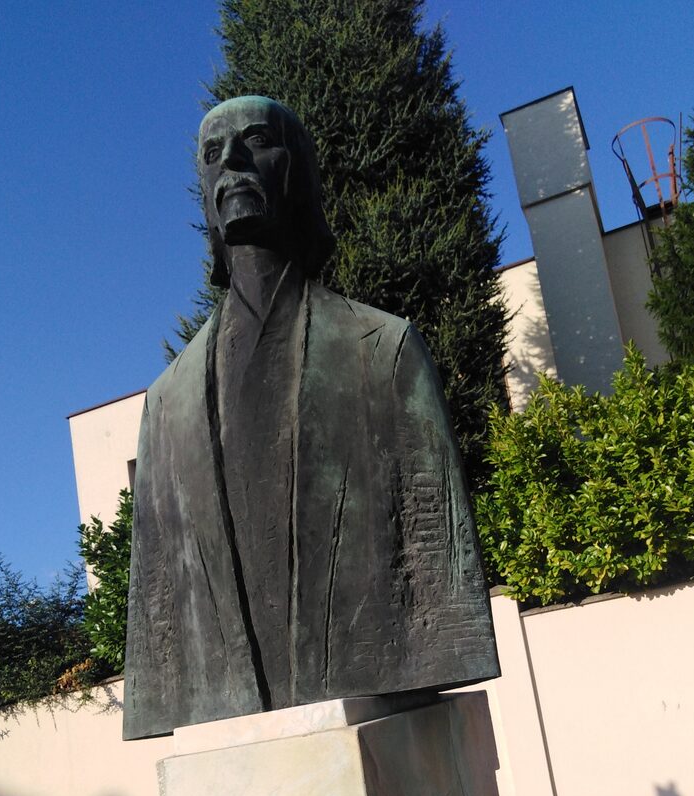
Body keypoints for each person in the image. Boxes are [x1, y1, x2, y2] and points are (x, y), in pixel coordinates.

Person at [123, 96, 498, 740]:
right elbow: (160, 595)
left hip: (369, 687)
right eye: (213, 154)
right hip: (231, 723)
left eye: (256, 140)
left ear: (297, 171)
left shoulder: (383, 349)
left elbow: (437, 556)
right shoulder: (167, 405)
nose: (233, 162)